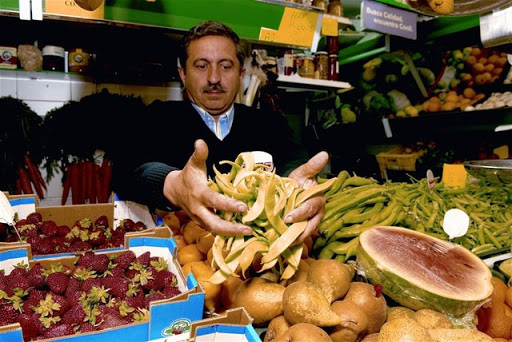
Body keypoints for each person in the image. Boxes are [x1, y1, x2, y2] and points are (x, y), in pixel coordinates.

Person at [112, 20, 329, 242]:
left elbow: (292, 160)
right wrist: (172, 184)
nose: (214, 78)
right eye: (201, 66)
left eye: (225, 66)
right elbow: (126, 169)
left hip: (256, 254)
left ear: (240, 73)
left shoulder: (269, 123)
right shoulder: (155, 118)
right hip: (181, 250)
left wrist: (299, 186)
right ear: (183, 73)